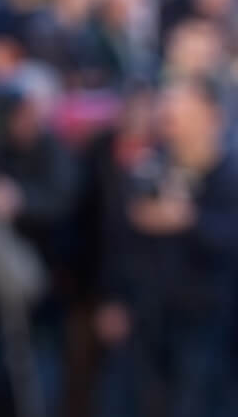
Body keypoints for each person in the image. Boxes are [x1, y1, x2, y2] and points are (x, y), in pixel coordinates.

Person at [96, 76, 238, 417]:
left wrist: (189, 220)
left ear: (212, 117)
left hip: (210, 321)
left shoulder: (229, 175)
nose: (170, 115)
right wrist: (114, 297)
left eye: (183, 107)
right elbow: (120, 238)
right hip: (147, 316)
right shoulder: (149, 167)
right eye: (169, 107)